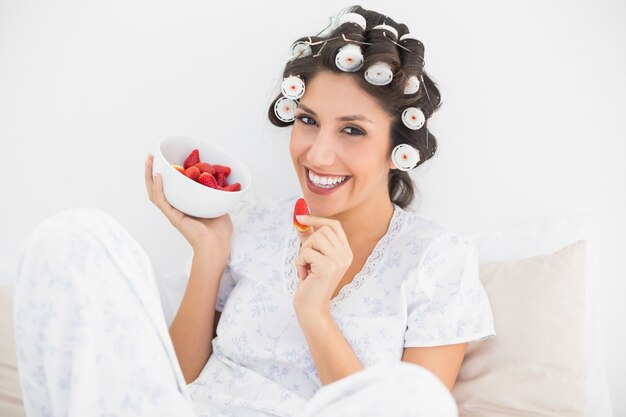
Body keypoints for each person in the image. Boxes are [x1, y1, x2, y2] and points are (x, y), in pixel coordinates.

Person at [12, 4, 495, 417]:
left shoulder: (438, 259)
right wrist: (211, 252)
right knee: (74, 235)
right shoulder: (251, 221)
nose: (318, 155)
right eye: (308, 121)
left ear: (399, 149)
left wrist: (315, 312)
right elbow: (173, 381)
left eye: (352, 130)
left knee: (416, 397)